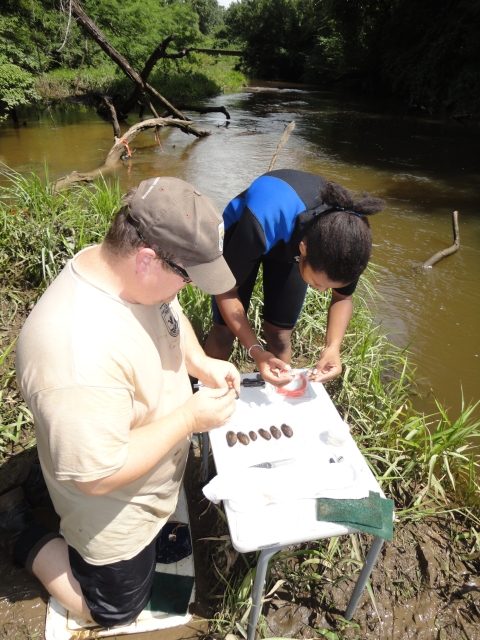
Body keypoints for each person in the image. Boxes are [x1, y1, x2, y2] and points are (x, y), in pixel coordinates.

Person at [9, 177, 240, 628]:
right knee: (114, 610)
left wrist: (200, 364)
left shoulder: (126, 275)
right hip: (111, 505)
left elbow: (169, 314)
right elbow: (99, 475)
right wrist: (190, 418)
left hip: (149, 476)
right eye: (188, 277)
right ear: (147, 259)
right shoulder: (76, 352)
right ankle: (22, 535)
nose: (189, 289)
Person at [204, 169, 386, 386]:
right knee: (224, 332)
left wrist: (332, 347)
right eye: (318, 283)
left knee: (280, 337)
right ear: (303, 249)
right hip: (252, 228)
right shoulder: (263, 218)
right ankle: (204, 390)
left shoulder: (349, 241)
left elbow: (343, 298)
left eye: (327, 286)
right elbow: (226, 291)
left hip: (299, 241)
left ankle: (279, 399)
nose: (320, 291)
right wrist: (256, 351)